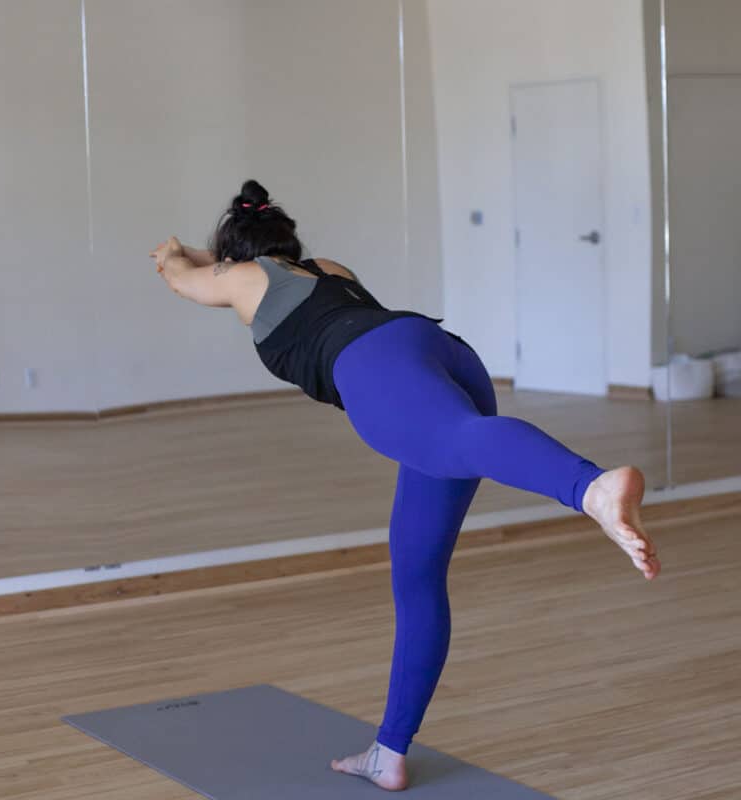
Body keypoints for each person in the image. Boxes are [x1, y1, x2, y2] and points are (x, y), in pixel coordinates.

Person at [150, 179, 658, 792]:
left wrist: (171, 252)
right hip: (439, 352)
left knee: (458, 441)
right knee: (417, 570)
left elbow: (182, 277)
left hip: (374, 367)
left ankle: (592, 488)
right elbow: (229, 264)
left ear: (234, 255)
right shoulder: (327, 268)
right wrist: (214, 253)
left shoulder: (239, 278)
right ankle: (388, 751)